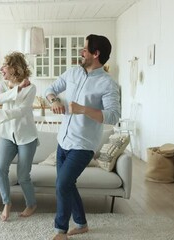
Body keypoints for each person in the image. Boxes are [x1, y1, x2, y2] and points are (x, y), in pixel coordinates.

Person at [45, 34, 120, 239]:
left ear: (96, 54)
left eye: (85, 49)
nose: (81, 51)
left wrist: (83, 109)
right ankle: (81, 223)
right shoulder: (72, 73)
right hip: (63, 141)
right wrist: (53, 100)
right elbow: (50, 89)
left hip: (83, 145)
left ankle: (60, 230)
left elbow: (113, 116)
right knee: (67, 184)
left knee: (62, 185)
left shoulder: (107, 83)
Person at [0, 51, 39, 221]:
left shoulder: (31, 87)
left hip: (27, 137)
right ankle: (6, 202)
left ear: (14, 68)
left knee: (23, 176)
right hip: (7, 136)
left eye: (5, 66)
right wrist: (17, 88)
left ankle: (31, 204)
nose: (1, 69)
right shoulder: (2, 84)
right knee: (0, 170)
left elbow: (21, 111)